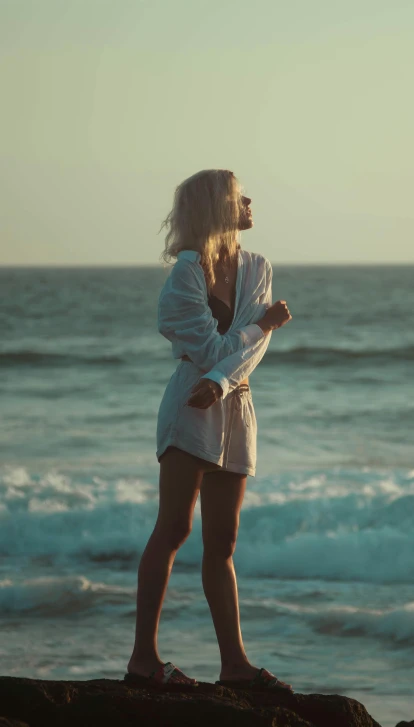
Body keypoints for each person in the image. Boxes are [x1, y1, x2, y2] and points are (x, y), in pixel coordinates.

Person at [124, 169, 293, 691]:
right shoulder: (185, 277)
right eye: (237, 193)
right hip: (190, 408)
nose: (248, 200)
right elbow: (218, 349)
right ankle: (143, 661)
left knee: (223, 542)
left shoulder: (258, 267)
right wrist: (259, 327)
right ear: (215, 206)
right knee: (174, 528)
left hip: (234, 409)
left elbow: (248, 354)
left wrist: (224, 379)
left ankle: (234, 666)